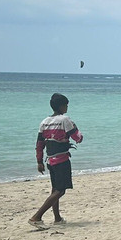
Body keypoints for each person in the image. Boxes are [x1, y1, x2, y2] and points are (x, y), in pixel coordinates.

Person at [30, 93, 83, 228]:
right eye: (66, 105)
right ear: (61, 106)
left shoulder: (44, 122)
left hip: (50, 160)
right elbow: (78, 138)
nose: (67, 108)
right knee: (60, 190)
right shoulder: (65, 120)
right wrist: (76, 130)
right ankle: (37, 217)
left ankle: (57, 218)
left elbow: (39, 144)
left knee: (54, 189)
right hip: (62, 159)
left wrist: (39, 161)